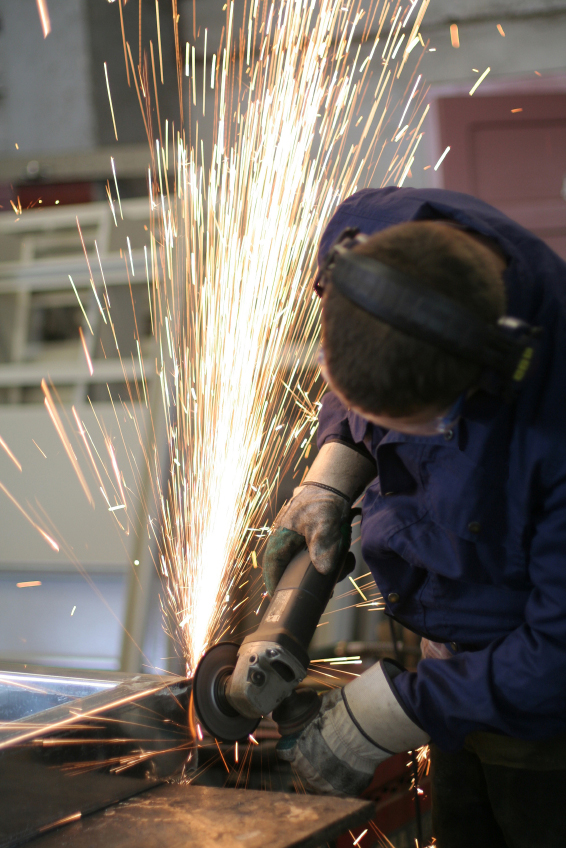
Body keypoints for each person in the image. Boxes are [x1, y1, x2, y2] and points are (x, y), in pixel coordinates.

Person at [262, 187, 566, 848]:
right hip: (452, 681)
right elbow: (366, 378)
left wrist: (389, 713)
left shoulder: (553, 417)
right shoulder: (364, 243)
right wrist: (331, 475)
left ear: (482, 377)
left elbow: (558, 652)